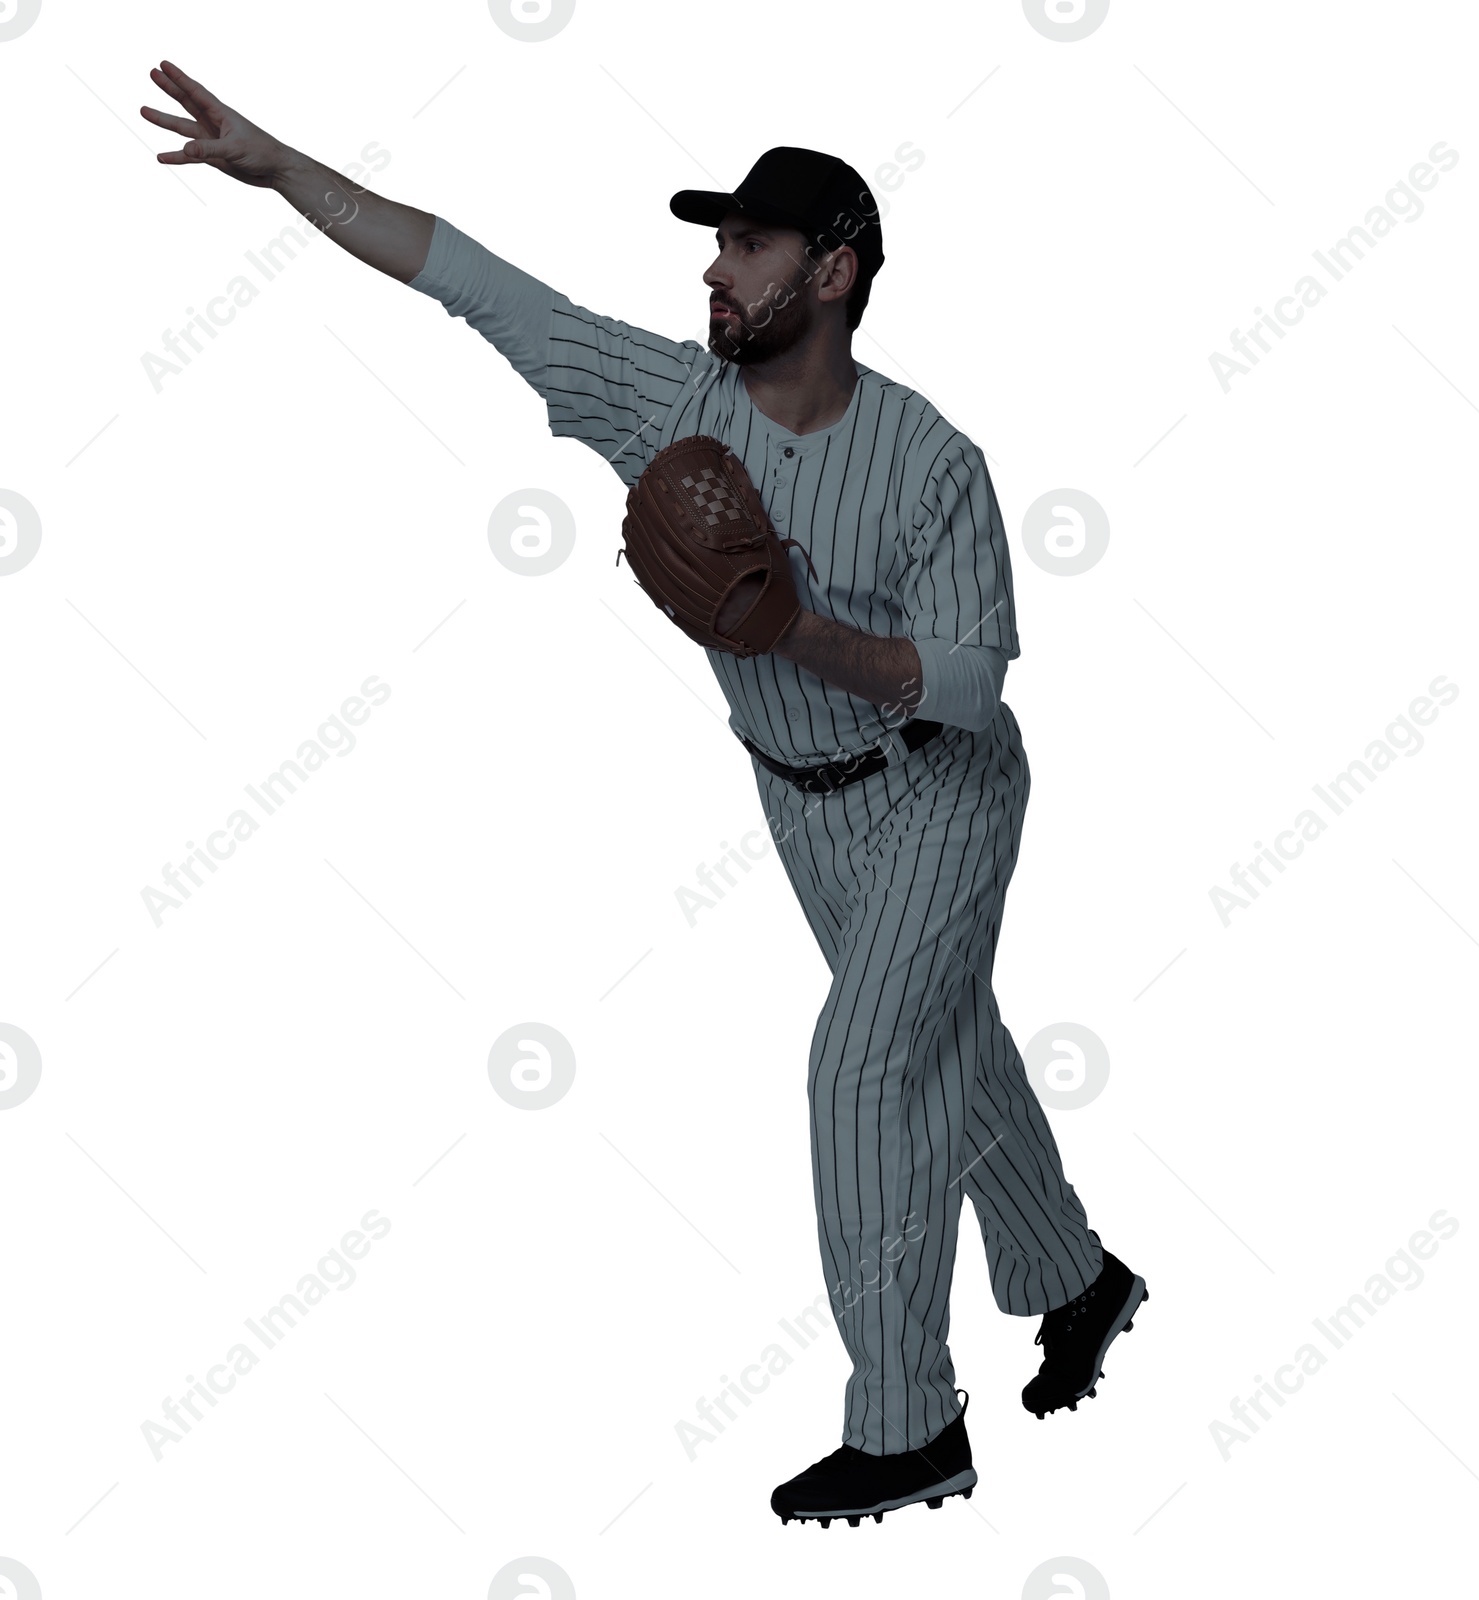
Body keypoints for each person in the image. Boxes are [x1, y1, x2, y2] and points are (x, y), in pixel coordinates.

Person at [140, 59, 1148, 1527]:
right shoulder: (673, 404)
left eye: (747, 242)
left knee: (864, 1066)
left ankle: (909, 1424)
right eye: (716, 239)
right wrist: (286, 168)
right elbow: (479, 283)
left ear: (837, 269)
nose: (715, 265)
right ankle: (1079, 1277)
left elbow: (973, 686)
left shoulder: (934, 462)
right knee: (944, 1049)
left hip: (945, 791)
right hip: (805, 799)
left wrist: (791, 626)